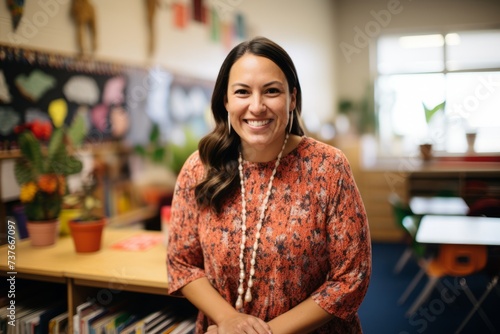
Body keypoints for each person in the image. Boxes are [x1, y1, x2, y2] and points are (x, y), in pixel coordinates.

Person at [167, 36, 372, 334]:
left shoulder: (328, 167)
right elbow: (181, 263)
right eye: (242, 92)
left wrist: (267, 333)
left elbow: (352, 276)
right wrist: (229, 320)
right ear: (225, 100)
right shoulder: (199, 168)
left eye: (271, 91)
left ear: (292, 99)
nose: (257, 106)